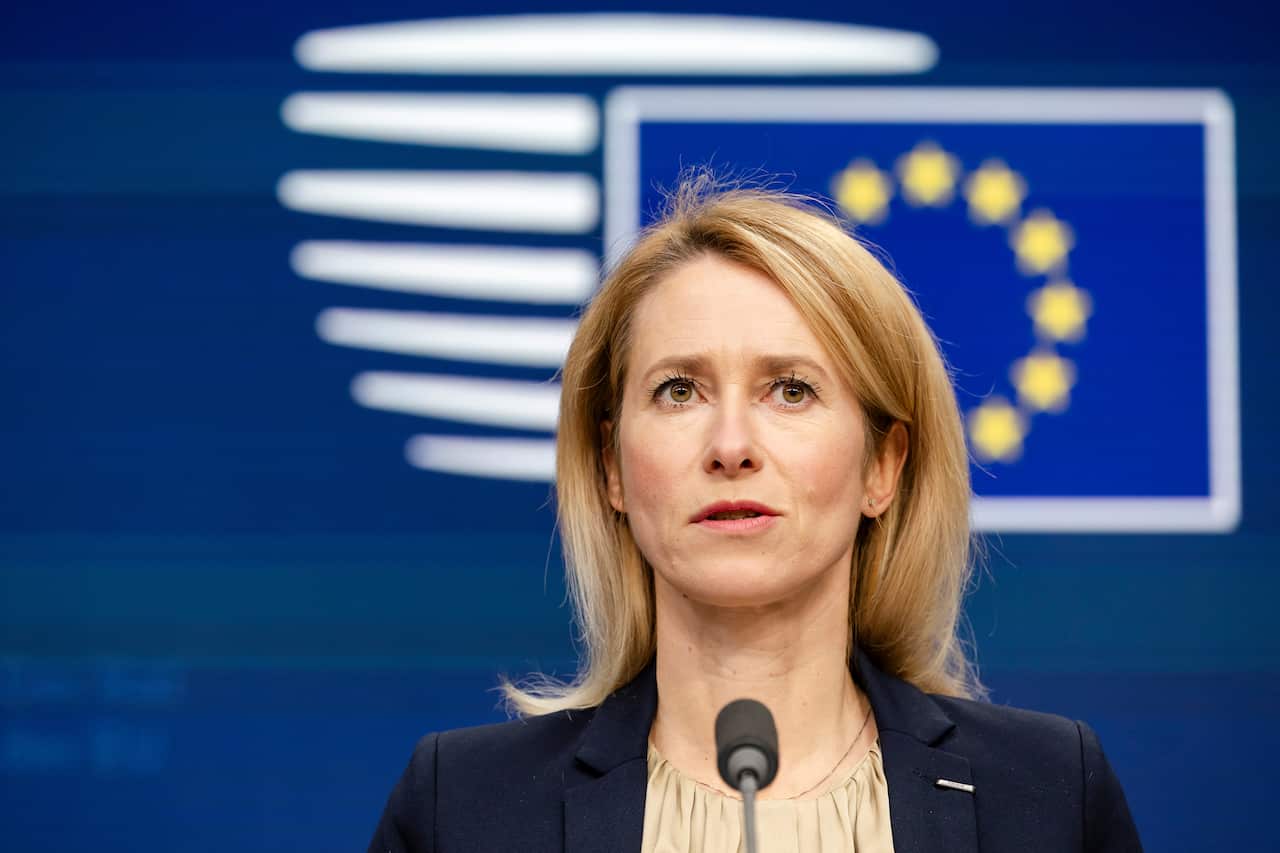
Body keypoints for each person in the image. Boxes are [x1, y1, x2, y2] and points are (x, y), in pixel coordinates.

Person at [367, 179, 1142, 852]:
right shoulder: (461, 807)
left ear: (882, 465)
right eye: (679, 391)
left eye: (791, 390)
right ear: (611, 467)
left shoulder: (1047, 796)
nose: (731, 446)